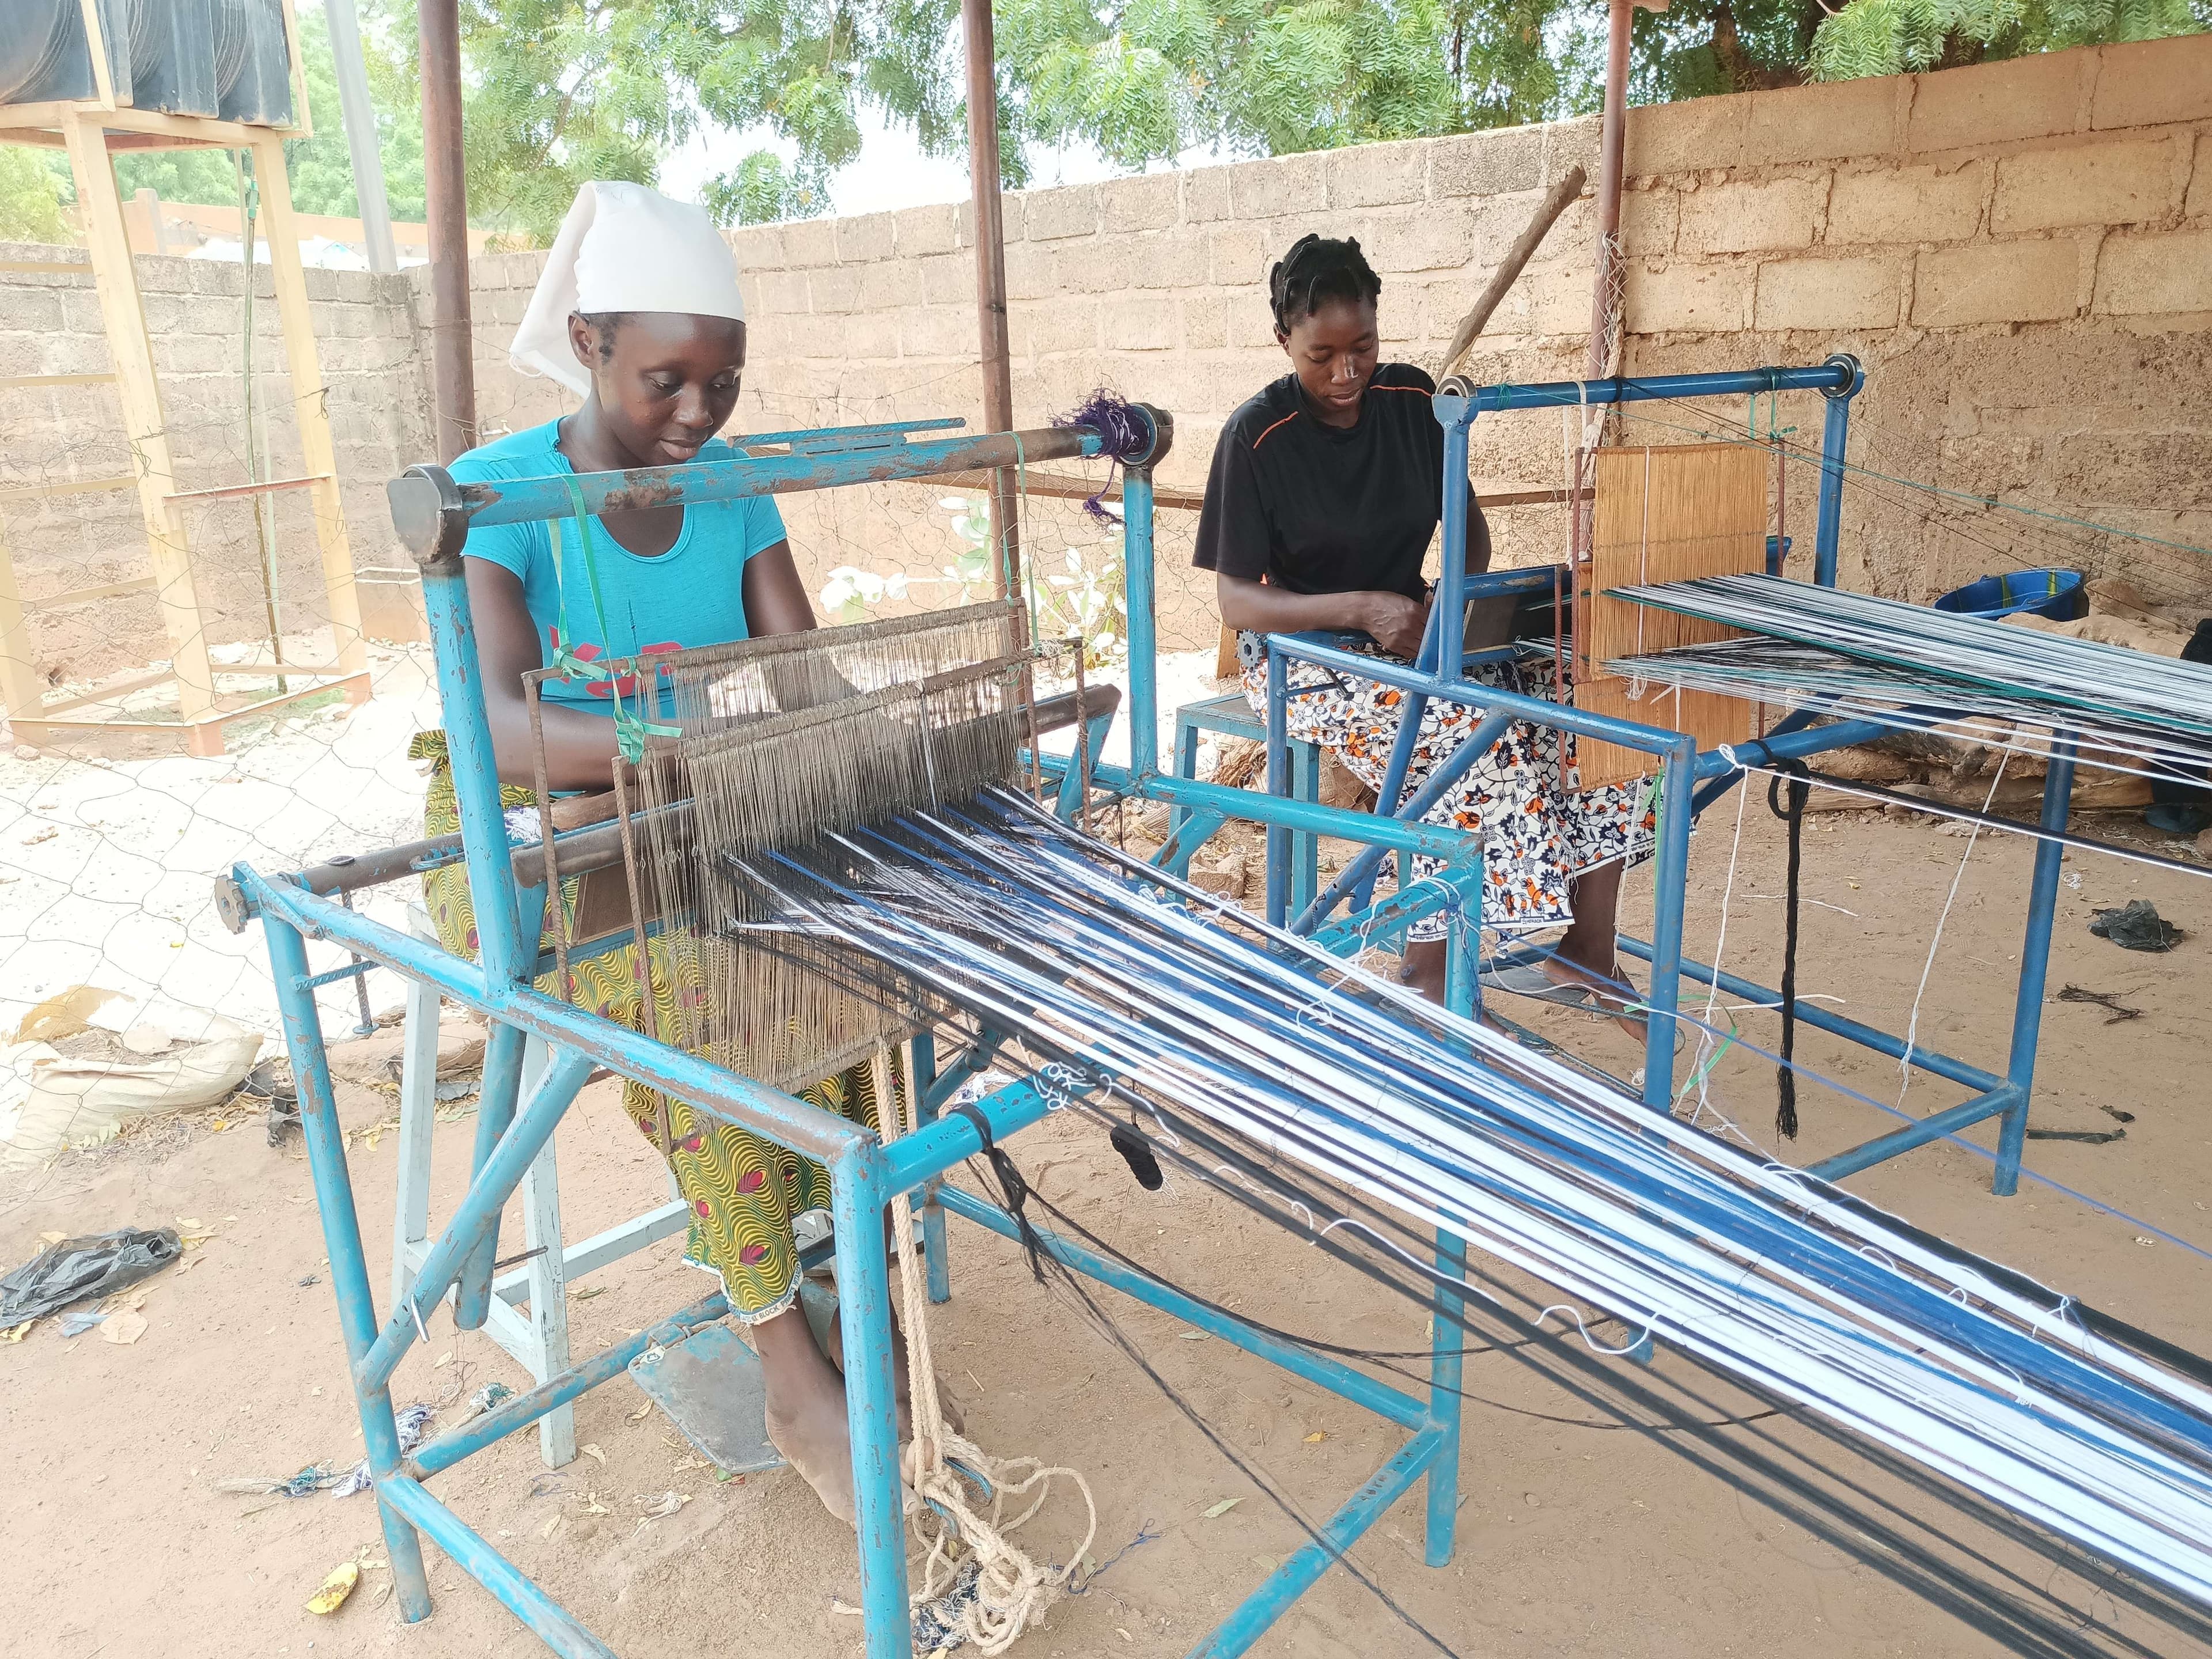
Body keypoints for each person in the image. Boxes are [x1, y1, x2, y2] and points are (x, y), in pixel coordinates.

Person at [411, 181, 914, 1522]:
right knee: (705, 1015)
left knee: (851, 969)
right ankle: (787, 1366)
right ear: (587, 345)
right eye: (664, 380)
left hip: (687, 823)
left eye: (725, 383)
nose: (698, 413)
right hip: (538, 850)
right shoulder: (499, 496)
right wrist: (667, 749)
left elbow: (802, 679)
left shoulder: (733, 495)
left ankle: (834, 1267)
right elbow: (508, 728)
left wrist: (915, 749)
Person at [1192, 233, 1649, 1027]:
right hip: (1306, 655)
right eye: (1321, 355)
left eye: (1362, 348)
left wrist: (1452, 599)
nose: (1345, 374)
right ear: (1284, 344)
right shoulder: (1256, 439)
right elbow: (1238, 603)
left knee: (1594, 706)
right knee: (1462, 733)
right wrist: (1365, 610)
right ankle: (1429, 975)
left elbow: (1465, 523)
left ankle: (1587, 949)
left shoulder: (1413, 403)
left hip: (1418, 635)